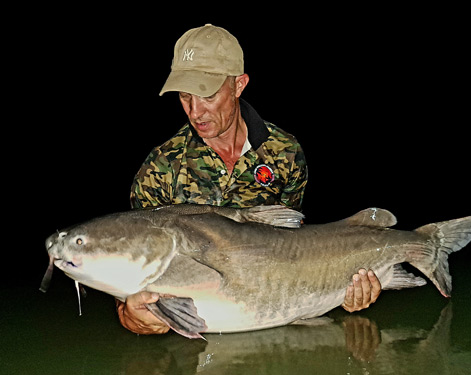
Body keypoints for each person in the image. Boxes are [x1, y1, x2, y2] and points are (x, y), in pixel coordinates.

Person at [116, 24, 381, 335]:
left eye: (207, 95)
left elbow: (294, 247)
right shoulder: (159, 169)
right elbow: (131, 278)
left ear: (238, 85)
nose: (195, 111)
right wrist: (131, 317)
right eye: (185, 96)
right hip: (192, 339)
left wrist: (340, 289)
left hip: (273, 334)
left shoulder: (285, 153)